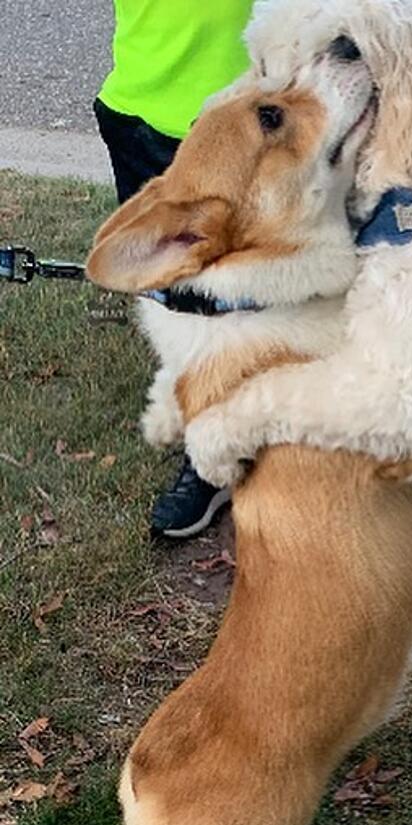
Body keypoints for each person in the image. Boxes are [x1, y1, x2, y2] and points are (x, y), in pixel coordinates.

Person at [94, 0, 253, 538]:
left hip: (237, 123)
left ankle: (226, 448)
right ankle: (207, 452)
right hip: (135, 104)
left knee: (240, 298)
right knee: (176, 304)